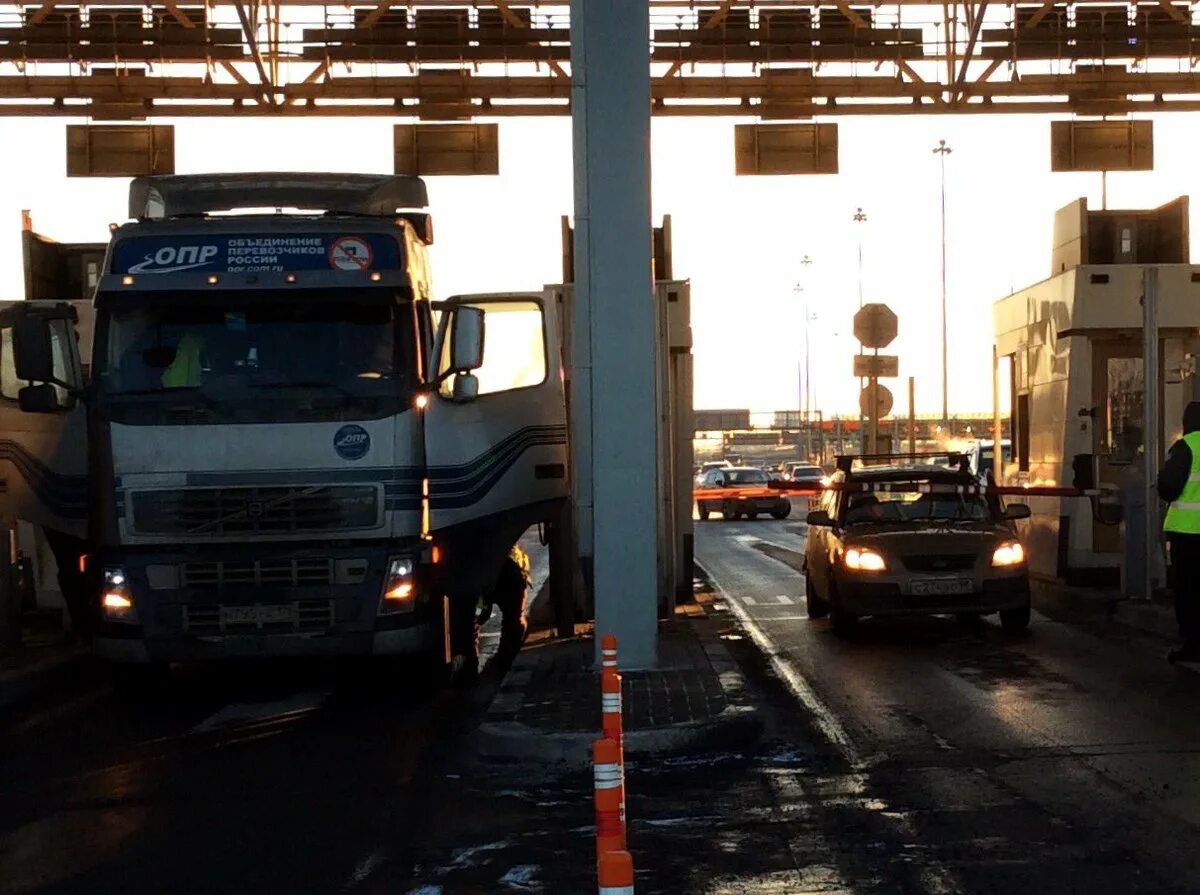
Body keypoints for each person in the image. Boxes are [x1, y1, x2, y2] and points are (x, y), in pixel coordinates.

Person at [1157, 401, 1200, 663]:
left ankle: (1192, 644)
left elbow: (1169, 485)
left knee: (1188, 590)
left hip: (1187, 533)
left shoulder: (1185, 448)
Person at [477, 545, 531, 663]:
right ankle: (506, 657)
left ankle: (507, 657)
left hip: (511, 578)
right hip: (502, 578)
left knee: (514, 620)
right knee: (514, 620)